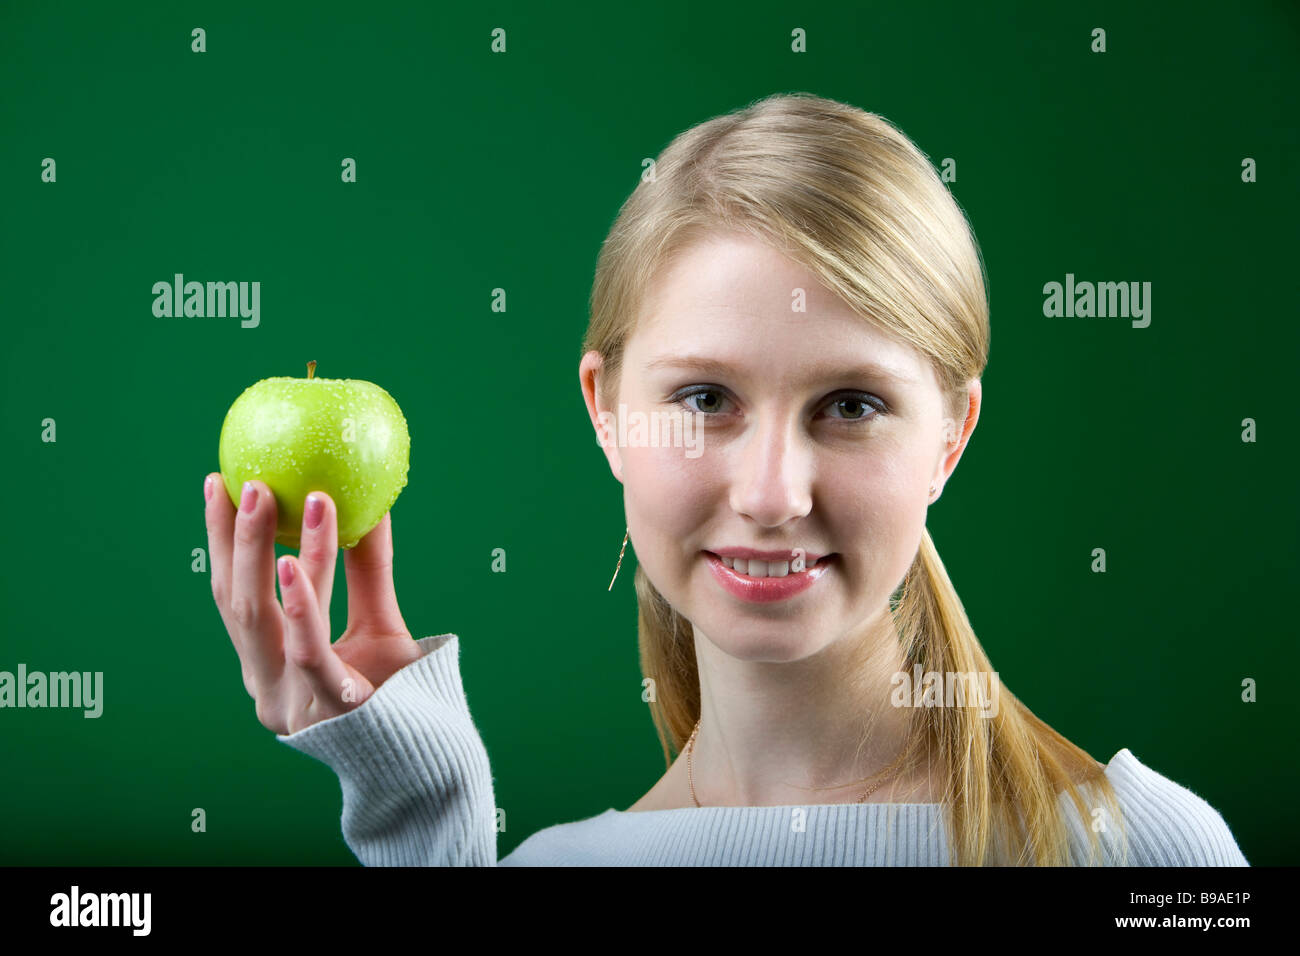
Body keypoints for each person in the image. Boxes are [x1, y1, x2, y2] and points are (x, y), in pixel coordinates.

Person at [202, 92, 1248, 866]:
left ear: (950, 436)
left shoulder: (1143, 851)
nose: (770, 492)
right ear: (604, 412)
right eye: (704, 399)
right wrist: (420, 811)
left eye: (851, 404)